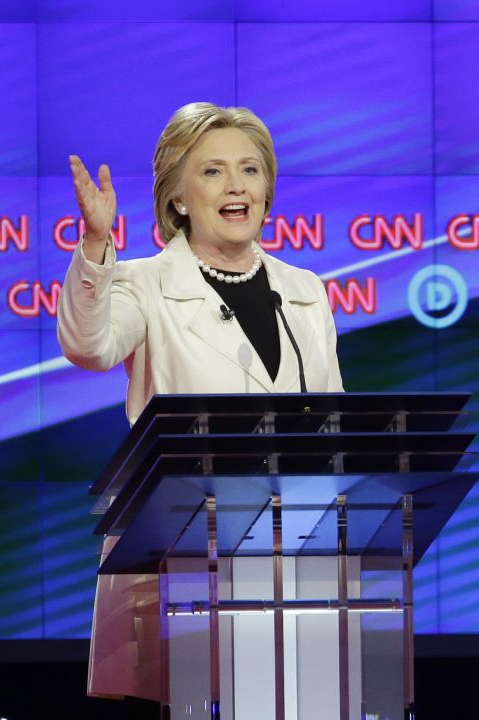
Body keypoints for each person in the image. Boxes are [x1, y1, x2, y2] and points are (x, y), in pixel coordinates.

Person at [57, 102, 343, 700]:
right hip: (187, 558)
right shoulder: (145, 285)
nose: (237, 185)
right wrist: (94, 244)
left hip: (298, 560)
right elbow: (89, 347)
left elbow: (332, 428)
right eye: (213, 171)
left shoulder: (305, 292)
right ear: (179, 198)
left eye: (250, 169)